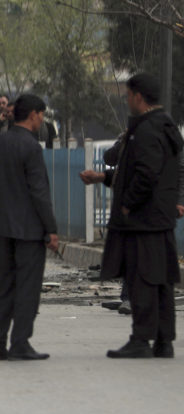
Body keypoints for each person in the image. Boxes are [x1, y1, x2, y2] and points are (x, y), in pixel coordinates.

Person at [79, 73, 181, 359]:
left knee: (143, 279)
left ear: (138, 96)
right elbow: (138, 172)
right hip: (159, 219)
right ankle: (163, 340)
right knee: (160, 280)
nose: (126, 101)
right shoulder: (164, 126)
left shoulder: (147, 130)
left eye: (128, 96)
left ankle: (141, 338)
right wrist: (102, 177)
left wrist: (128, 204)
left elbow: (146, 175)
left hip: (143, 220)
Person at [0, 94, 60, 361]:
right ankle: (20, 342)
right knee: (27, 288)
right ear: (34, 114)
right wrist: (51, 229)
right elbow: (39, 192)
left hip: (4, 227)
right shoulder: (31, 147)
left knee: (5, 285)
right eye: (42, 115)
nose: (42, 121)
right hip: (29, 229)